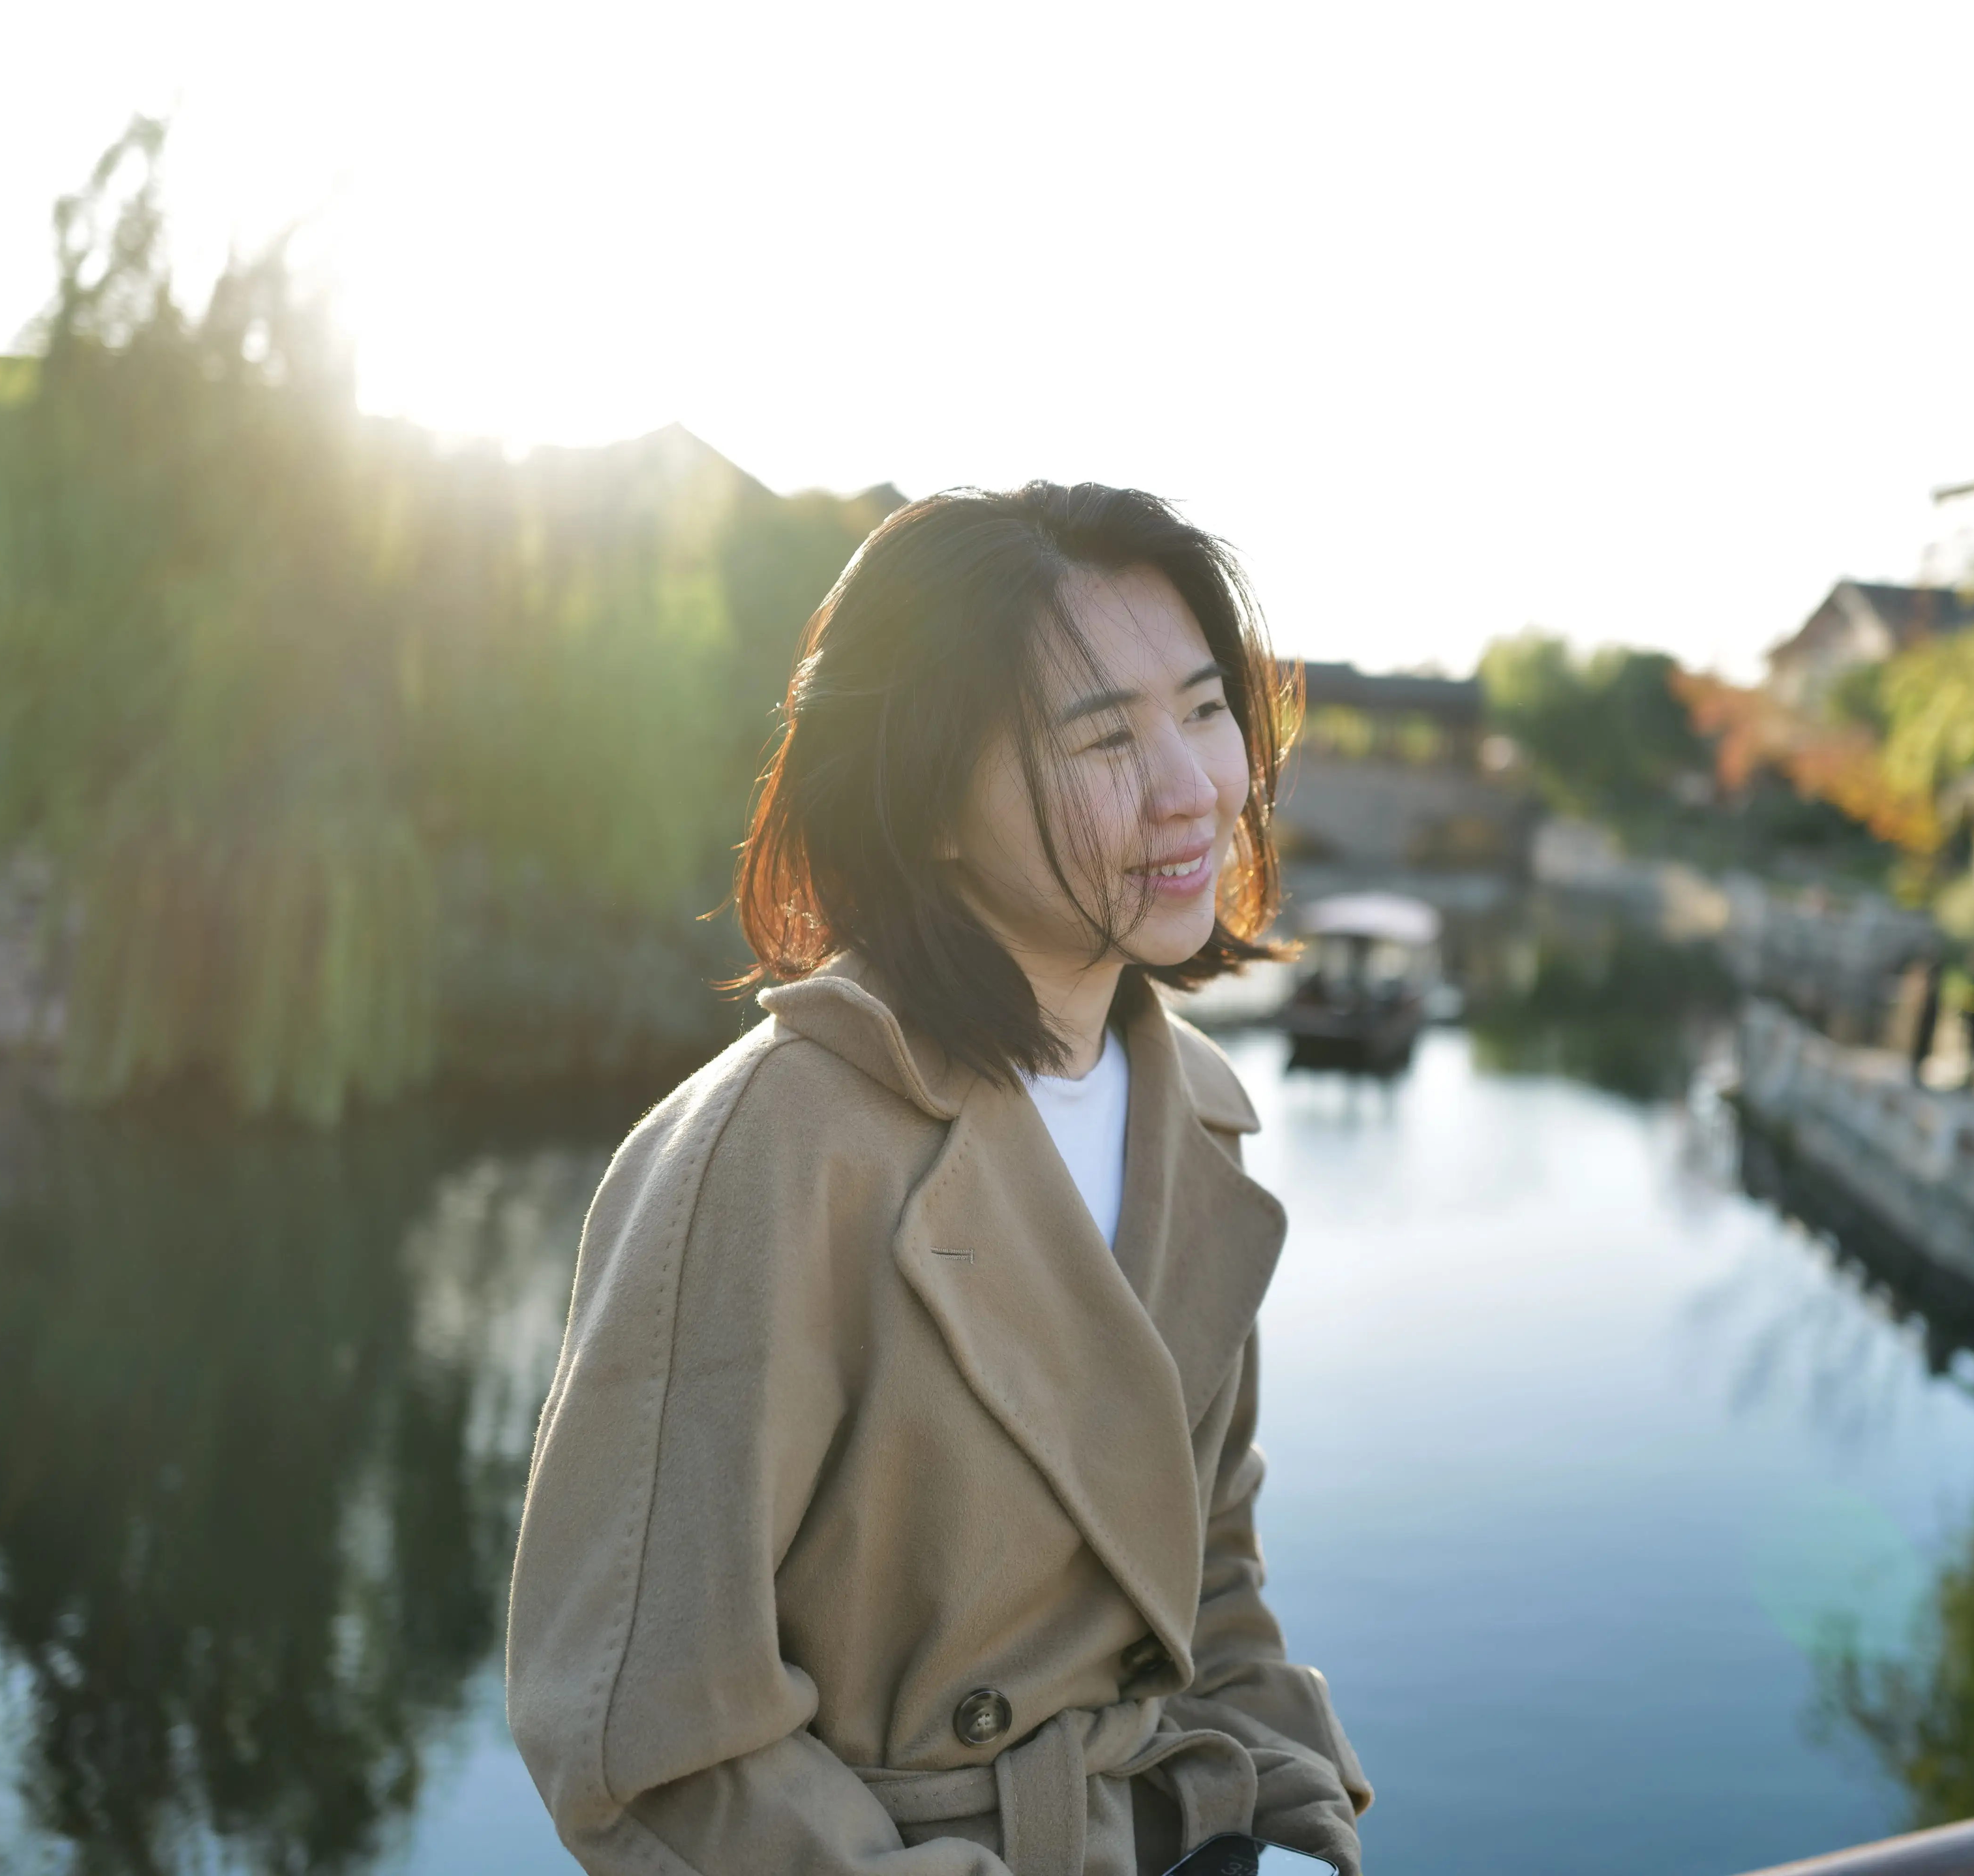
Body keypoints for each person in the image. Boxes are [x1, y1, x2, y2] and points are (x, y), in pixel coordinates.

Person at [505, 483, 1372, 1876]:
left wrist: (1270, 1798)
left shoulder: (1192, 1114)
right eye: (1101, 737)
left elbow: (1205, 1568)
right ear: (930, 806)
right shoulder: (769, 1153)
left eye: (1205, 709)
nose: (1191, 787)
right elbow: (644, 1732)